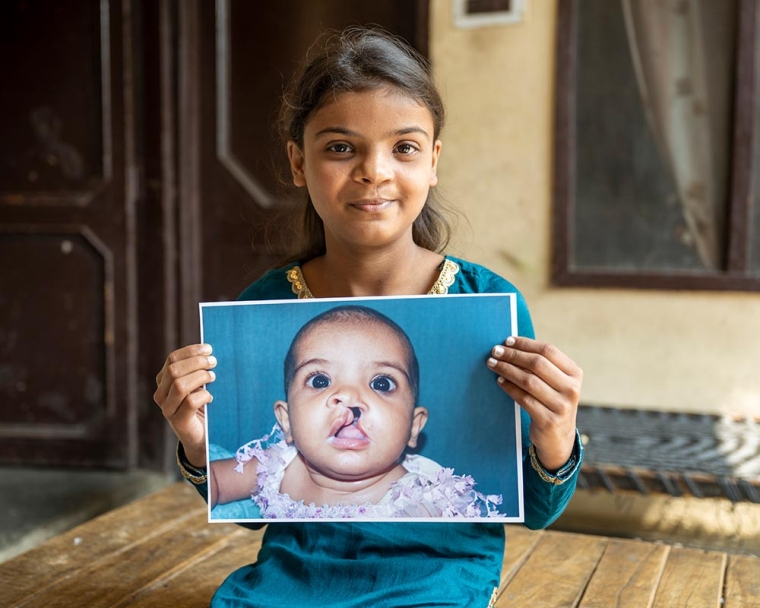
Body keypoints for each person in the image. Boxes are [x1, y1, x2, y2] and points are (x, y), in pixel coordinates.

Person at [154, 26, 584, 607]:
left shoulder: (485, 304)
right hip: (293, 580)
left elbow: (534, 509)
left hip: (436, 580)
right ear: (298, 162)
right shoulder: (266, 305)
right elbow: (252, 515)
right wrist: (196, 441)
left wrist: (555, 433)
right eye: (340, 147)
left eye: (403, 148)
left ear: (432, 162)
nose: (374, 171)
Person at [209, 304, 504, 520]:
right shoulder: (276, 468)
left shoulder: (423, 501)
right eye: (320, 381)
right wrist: (191, 434)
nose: (350, 397)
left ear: (413, 427)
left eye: (381, 383)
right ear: (286, 421)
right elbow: (213, 483)